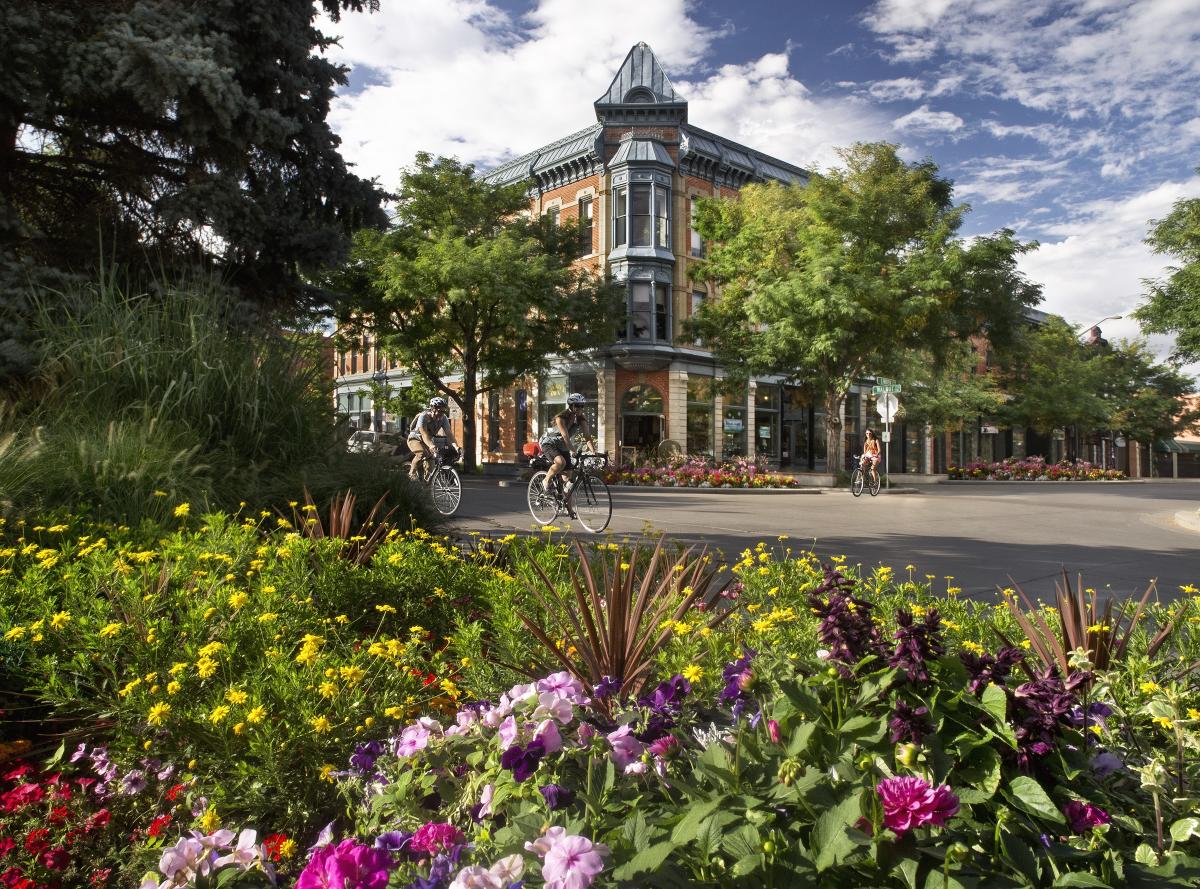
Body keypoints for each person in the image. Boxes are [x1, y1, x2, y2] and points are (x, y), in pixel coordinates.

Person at [540, 393, 595, 495]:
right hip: (549, 443)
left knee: (567, 479)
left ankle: (568, 508)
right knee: (561, 462)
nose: (580, 408)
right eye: (577, 405)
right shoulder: (560, 418)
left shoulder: (581, 419)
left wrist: (593, 452)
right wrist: (573, 451)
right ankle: (546, 480)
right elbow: (565, 436)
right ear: (571, 406)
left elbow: (587, 436)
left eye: (582, 406)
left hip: (563, 446)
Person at [408, 397, 458, 480]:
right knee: (422, 453)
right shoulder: (423, 416)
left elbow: (449, 433)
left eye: (443, 410)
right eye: (440, 410)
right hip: (415, 438)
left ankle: (426, 485)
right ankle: (411, 473)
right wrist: (431, 445)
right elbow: (424, 433)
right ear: (433, 409)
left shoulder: (443, 418)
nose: (442, 413)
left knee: (431, 461)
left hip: (428, 441)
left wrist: (456, 447)